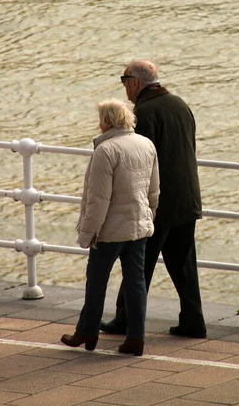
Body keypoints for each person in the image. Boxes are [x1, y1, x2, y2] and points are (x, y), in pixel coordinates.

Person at [100, 60, 207, 339]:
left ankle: (125, 319)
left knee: (138, 261)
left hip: (159, 202)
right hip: (187, 197)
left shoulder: (144, 112)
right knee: (184, 264)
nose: (124, 86)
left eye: (124, 79)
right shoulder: (180, 104)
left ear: (134, 82)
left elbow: (139, 161)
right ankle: (193, 321)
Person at [61, 98, 159, 356]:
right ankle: (136, 339)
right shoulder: (146, 144)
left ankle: (87, 330)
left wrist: (88, 232)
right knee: (136, 282)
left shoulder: (106, 150)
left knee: (96, 280)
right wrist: (150, 215)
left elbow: (98, 198)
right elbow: (153, 189)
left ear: (107, 121)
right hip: (139, 226)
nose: (98, 123)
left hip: (110, 230)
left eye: (100, 118)